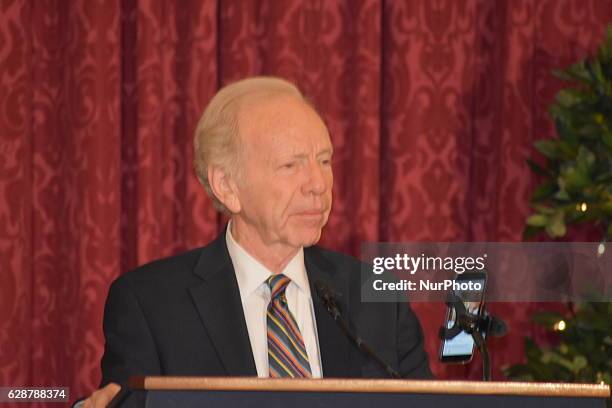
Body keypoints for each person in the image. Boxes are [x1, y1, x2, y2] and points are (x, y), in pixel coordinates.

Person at [81, 77, 432, 407]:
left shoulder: (377, 295)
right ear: (227, 187)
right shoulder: (151, 304)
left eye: (324, 161)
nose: (318, 184)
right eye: (290, 165)